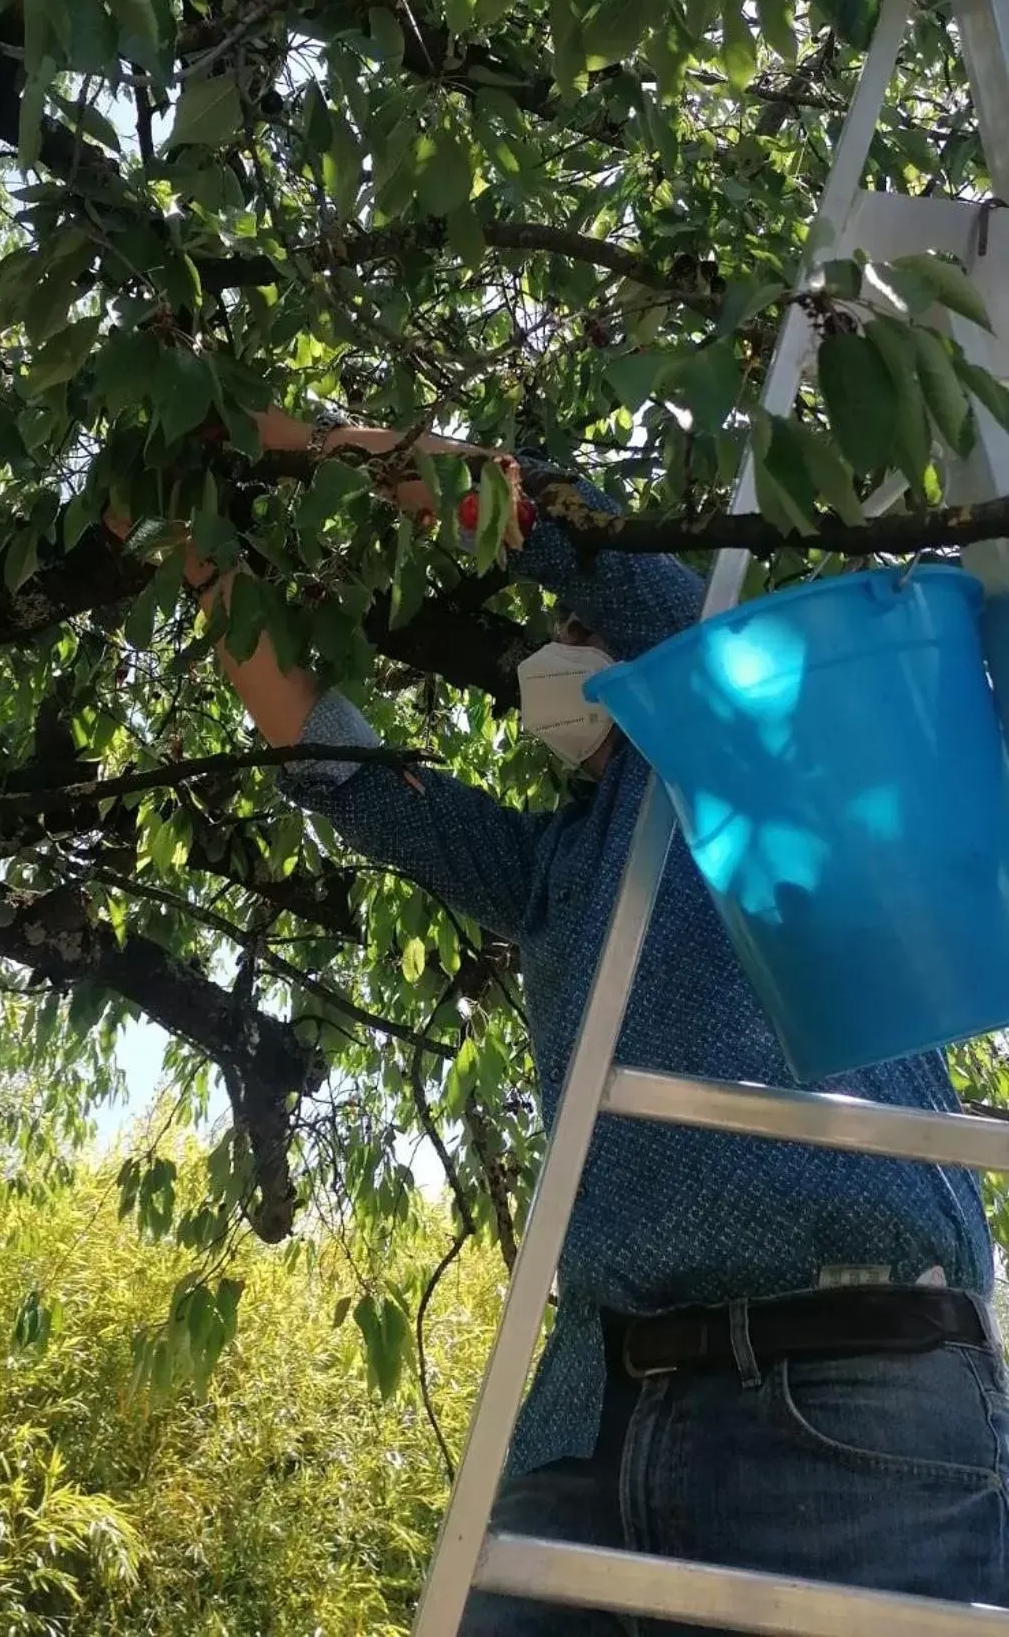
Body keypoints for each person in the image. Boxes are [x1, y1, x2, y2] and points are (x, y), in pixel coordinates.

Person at [111, 404, 1009, 1631]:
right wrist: (194, 549)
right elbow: (339, 769)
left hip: (846, 1385)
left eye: (583, 637)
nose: (562, 652)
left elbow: (566, 534)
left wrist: (319, 443)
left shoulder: (763, 756)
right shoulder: (560, 874)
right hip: (600, 1406)